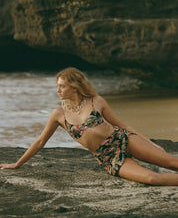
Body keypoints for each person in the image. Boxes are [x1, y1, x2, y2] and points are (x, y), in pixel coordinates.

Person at [0, 67, 178, 186]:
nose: (58, 90)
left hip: (123, 139)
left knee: (172, 162)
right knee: (152, 178)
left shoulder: (97, 101)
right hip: (108, 157)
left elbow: (122, 125)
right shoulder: (58, 115)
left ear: (74, 87)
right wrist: (16, 164)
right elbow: (40, 142)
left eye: (62, 86)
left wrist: (151, 143)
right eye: (58, 86)